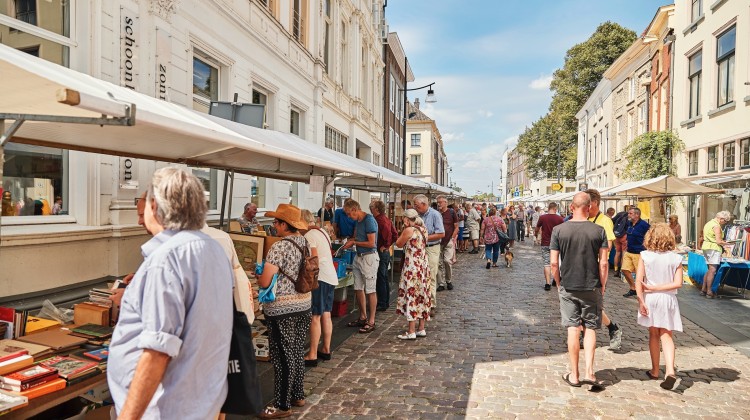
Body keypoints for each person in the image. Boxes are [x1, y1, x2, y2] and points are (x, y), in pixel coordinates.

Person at [108, 167, 233, 419]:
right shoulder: (212, 248)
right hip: (198, 402)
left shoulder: (167, 258)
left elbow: (157, 351)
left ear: (154, 206)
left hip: (164, 409)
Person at [256, 204, 313, 418]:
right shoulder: (305, 242)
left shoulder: (279, 247)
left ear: (283, 225)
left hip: (282, 308)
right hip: (304, 303)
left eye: (276, 223)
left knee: (282, 356)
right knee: (297, 350)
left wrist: (258, 274)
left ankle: (281, 405)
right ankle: (297, 394)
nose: (274, 227)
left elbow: (265, 280)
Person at [551, 192, 609, 389]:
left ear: (571, 207)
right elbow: (604, 263)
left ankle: (574, 375)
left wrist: (558, 282)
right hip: (591, 285)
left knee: (573, 329)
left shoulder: (559, 230)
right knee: (591, 328)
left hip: (568, 284)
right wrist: (603, 284)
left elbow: (553, 263)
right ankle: (590, 372)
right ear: (590, 207)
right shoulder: (599, 231)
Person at [635, 223, 684, 390]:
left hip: (651, 298)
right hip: (668, 298)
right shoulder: (676, 258)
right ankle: (670, 370)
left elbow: (639, 282)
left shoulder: (645, 255)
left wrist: (641, 300)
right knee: (667, 334)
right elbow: (678, 283)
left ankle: (655, 370)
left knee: (653, 334)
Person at [585, 189, 623, 351]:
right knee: (582, 303)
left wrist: (603, 276)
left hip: (596, 268)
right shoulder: (584, 218)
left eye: (588, 203)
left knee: (594, 304)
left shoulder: (604, 221)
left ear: (595, 203)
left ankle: (612, 328)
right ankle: (584, 332)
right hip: (582, 266)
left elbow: (607, 248)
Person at [300, 210, 338, 368]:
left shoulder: (309, 236)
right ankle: (326, 348)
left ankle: (312, 354)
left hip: (320, 278)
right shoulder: (322, 231)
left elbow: (313, 259)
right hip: (330, 276)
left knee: (315, 315)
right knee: (326, 314)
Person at [341, 199, 380, 333]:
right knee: (358, 288)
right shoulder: (358, 221)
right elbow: (359, 238)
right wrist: (351, 241)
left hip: (369, 257)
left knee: (370, 290)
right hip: (359, 257)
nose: (348, 216)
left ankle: (372, 320)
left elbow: (371, 243)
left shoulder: (368, 220)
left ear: (354, 209)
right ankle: (363, 316)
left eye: (348, 213)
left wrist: (354, 243)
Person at [394, 209, 433, 339]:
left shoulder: (409, 230)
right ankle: (421, 328)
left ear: (406, 219)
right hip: (423, 265)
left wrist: (402, 229)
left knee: (411, 294)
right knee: (422, 294)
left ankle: (411, 330)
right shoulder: (423, 229)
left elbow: (399, 243)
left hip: (412, 266)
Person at [413, 194, 445, 307]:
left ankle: (431, 304)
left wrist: (424, 237)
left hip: (432, 248)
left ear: (424, 204)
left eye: (416, 205)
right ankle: (421, 301)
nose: (415, 207)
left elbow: (441, 233)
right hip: (419, 248)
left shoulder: (435, 215)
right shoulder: (417, 215)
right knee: (418, 275)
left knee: (431, 275)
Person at [370, 200, 397, 311]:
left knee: (381, 278)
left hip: (381, 252)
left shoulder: (379, 220)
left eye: (372, 207)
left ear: (376, 209)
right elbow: (395, 235)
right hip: (384, 252)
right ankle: (385, 301)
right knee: (383, 277)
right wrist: (388, 245)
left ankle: (382, 302)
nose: (370, 209)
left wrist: (385, 245)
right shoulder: (386, 219)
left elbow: (390, 234)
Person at [700, 211, 731, 299]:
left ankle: (703, 289)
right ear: (721, 219)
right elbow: (718, 241)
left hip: (706, 247)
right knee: (712, 270)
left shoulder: (708, 223)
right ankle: (709, 291)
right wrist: (726, 243)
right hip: (713, 248)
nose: (725, 223)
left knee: (709, 269)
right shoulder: (716, 226)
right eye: (725, 221)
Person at [622, 208, 651, 298]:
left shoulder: (644, 225)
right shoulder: (629, 224)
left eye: (630, 213)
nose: (628, 215)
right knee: (625, 269)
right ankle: (633, 288)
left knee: (640, 274)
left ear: (637, 215)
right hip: (629, 251)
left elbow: (650, 236)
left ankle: (641, 290)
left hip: (639, 252)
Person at [536, 202, 564, 291]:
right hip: (556, 244)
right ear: (555, 209)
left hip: (545, 243)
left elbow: (537, 228)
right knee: (556, 262)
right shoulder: (560, 219)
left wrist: (536, 235)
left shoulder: (542, 217)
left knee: (546, 264)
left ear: (548, 208)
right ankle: (556, 280)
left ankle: (547, 283)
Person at [436, 195, 458, 291]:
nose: (439, 204)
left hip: (448, 240)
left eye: (440, 202)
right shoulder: (436, 213)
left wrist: (452, 237)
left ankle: (448, 281)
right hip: (437, 241)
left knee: (447, 261)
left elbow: (456, 226)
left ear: (445, 202)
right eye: (438, 202)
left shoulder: (452, 212)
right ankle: (440, 283)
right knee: (438, 263)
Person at [612, 206, 631, 278]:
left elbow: (612, 220)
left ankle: (616, 270)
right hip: (624, 236)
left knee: (617, 253)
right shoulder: (629, 217)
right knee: (624, 253)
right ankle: (622, 271)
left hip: (616, 236)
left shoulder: (620, 214)